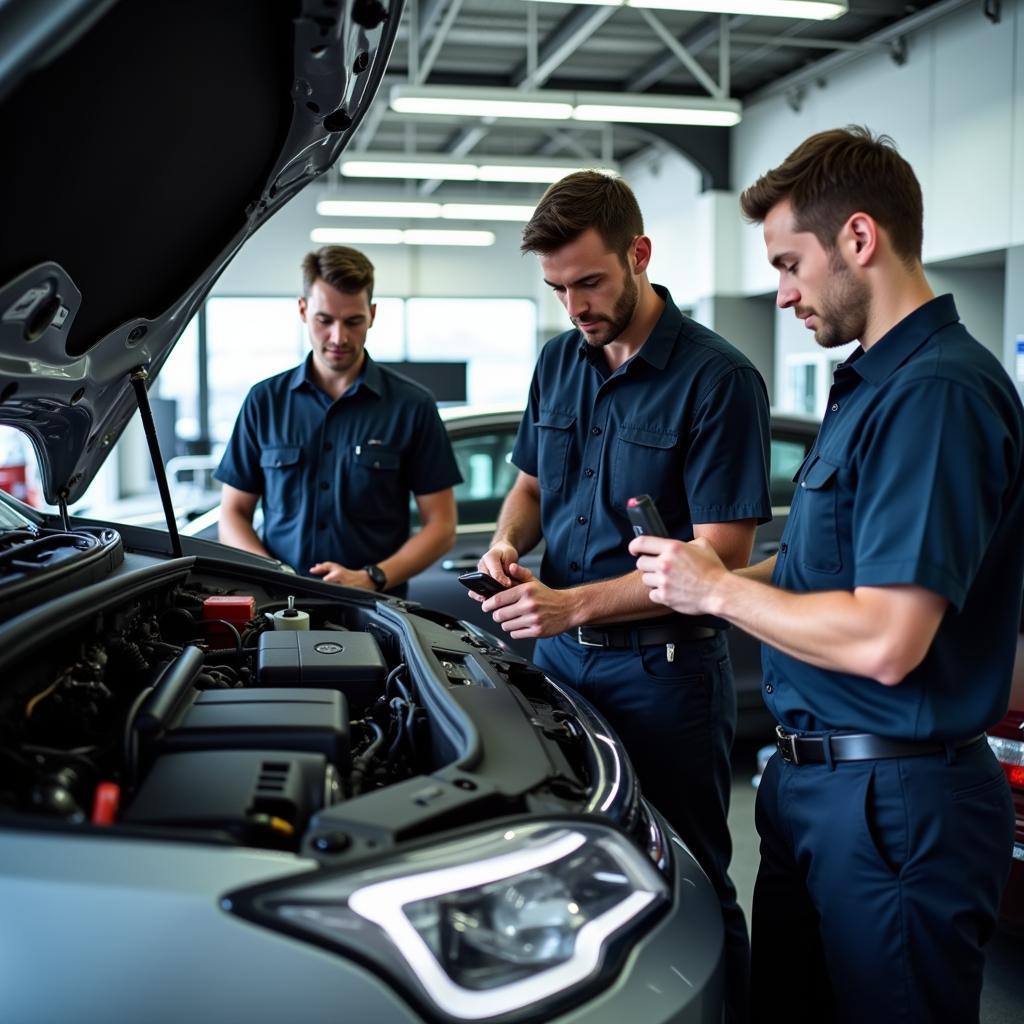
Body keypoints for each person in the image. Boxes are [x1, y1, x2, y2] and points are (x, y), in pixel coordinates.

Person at [631, 127, 1024, 1024]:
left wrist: (721, 593)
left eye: (789, 264)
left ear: (858, 238)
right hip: (817, 789)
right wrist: (706, 573)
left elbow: (889, 640)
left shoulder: (937, 396)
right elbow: (823, 571)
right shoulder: (869, 389)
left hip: (896, 807)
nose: (781, 294)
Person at [475, 170, 772, 1023]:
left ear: (639, 254)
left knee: (692, 882)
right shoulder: (558, 362)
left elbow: (720, 556)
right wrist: (505, 542)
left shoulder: (718, 381)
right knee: (583, 874)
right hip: (560, 670)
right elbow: (529, 489)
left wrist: (572, 605)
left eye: (590, 281)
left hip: (666, 676)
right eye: (557, 288)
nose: (575, 305)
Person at [216, 246, 461, 596]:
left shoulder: (413, 406)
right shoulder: (264, 401)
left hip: (376, 611)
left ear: (372, 315)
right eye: (325, 320)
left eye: (353, 321)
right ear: (303, 310)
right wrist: (272, 577)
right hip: (277, 608)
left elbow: (442, 526)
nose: (338, 337)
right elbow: (233, 514)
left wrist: (373, 577)